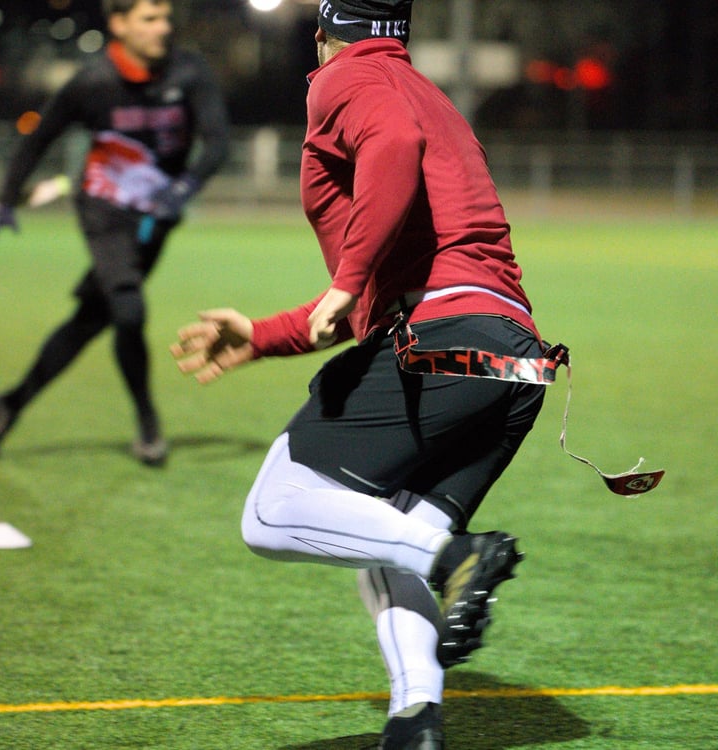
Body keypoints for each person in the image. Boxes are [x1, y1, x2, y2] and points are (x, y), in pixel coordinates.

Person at [172, 1, 561, 746]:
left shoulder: (345, 78)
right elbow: (371, 308)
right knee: (388, 538)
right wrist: (259, 335)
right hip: (514, 362)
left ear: (322, 35)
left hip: (444, 342)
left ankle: (461, 558)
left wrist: (348, 279)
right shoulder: (423, 87)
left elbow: (392, 145)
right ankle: (415, 722)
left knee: (272, 510)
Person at [0, 0, 230, 466]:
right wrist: (4, 203)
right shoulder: (93, 82)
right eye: (149, 19)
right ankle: (148, 423)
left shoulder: (188, 71)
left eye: (166, 18)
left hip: (156, 218)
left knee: (92, 319)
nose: (163, 28)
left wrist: (185, 187)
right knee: (128, 311)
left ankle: (8, 404)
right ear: (119, 24)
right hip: (104, 212)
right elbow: (37, 140)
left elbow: (218, 141)